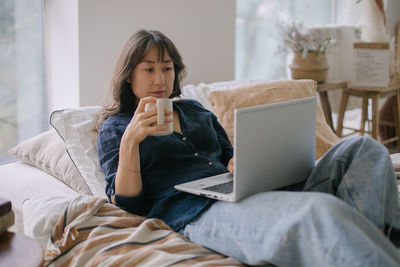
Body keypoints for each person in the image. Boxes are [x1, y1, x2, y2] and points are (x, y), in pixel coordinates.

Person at [96, 29, 400, 266]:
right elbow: (128, 205)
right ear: (129, 75)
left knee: (365, 149)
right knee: (318, 211)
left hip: (246, 189)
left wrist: (240, 162)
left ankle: (379, 242)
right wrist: (130, 142)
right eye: (149, 69)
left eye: (167, 68)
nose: (161, 78)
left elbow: (230, 157)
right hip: (198, 211)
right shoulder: (117, 127)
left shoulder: (194, 110)